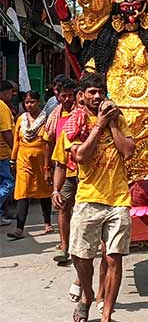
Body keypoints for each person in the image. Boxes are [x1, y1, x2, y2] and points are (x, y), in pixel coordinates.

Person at [65, 72, 135, 322]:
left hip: (118, 198)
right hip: (88, 197)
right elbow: (81, 156)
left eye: (100, 92)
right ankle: (88, 293)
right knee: (80, 256)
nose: (97, 97)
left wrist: (112, 124)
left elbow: (128, 151)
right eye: (91, 92)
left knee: (113, 257)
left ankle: (106, 318)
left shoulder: (118, 119)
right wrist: (99, 125)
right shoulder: (76, 120)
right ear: (82, 96)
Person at [6, 91, 53, 240]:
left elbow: (48, 143)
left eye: (32, 102)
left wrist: (48, 166)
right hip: (24, 161)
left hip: (42, 161)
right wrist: (13, 160)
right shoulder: (21, 119)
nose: (29, 105)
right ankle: (19, 229)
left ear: (39, 102)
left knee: (44, 191)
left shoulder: (46, 120)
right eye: (27, 102)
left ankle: (47, 222)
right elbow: (16, 142)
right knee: (23, 193)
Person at [47, 77, 80, 264]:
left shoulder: (81, 113)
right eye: (63, 96)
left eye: (70, 96)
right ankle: (64, 246)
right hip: (64, 167)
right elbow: (49, 141)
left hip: (84, 169)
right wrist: (47, 167)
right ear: (57, 95)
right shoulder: (54, 115)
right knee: (62, 207)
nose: (67, 99)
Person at [0, 81, 17, 226]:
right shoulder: (3, 107)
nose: (12, 96)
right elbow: (6, 132)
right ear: (6, 92)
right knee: (8, 183)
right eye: (11, 93)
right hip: (3, 154)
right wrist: (15, 150)